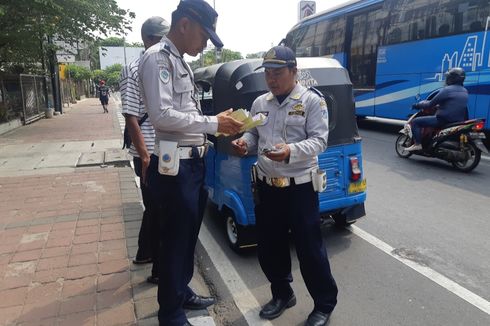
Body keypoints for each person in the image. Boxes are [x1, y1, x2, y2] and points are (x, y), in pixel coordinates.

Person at [138, 1, 243, 325]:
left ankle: (180, 292)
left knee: (186, 239)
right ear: (185, 25)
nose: (205, 44)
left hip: (192, 165)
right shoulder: (158, 59)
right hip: (174, 168)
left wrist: (216, 128)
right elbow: (162, 115)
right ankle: (170, 314)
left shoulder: (179, 62)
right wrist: (213, 124)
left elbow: (188, 116)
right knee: (173, 241)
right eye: (204, 35)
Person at [232, 46, 338, 326]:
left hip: (300, 188)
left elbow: (319, 141)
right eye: (267, 73)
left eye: (277, 73)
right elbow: (255, 133)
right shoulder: (259, 103)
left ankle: (324, 304)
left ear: (294, 71)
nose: (271, 79)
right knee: (270, 246)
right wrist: (245, 142)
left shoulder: (312, 101)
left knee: (309, 250)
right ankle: (282, 294)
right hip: (267, 187)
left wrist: (290, 151)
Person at [120, 16, 170, 284]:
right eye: (162, 38)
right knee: (159, 209)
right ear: (149, 39)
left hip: (164, 151)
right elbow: (131, 116)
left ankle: (144, 253)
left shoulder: (161, 63)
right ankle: (160, 272)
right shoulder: (134, 68)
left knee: (155, 207)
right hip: (149, 153)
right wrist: (146, 156)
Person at [406, 67, 468, 151]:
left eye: (448, 77)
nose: (446, 79)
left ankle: (417, 144)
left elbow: (430, 104)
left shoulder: (447, 90)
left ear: (452, 78)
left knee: (415, 122)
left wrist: (418, 105)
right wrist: (439, 106)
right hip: (457, 121)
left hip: (443, 120)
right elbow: (453, 105)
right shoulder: (464, 91)